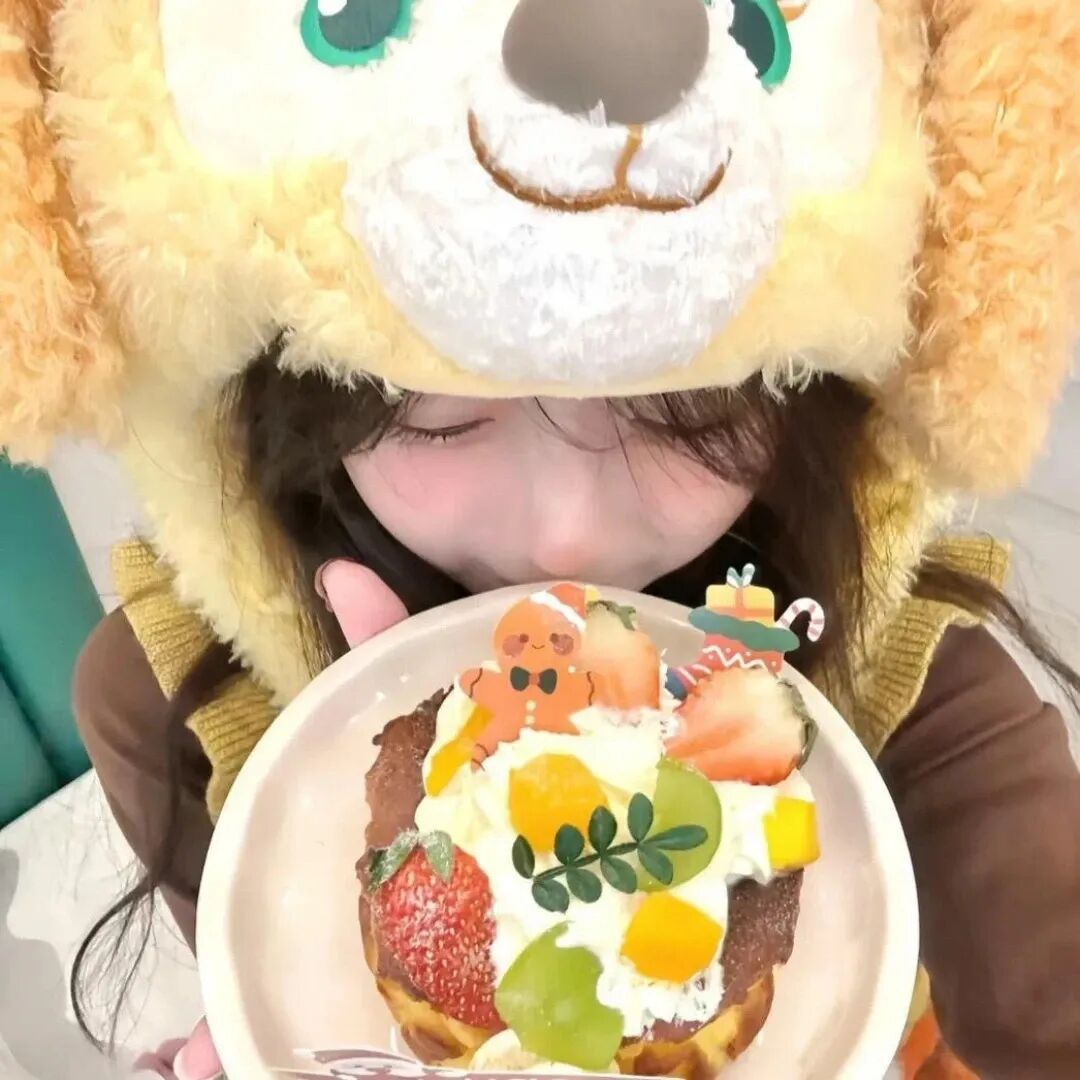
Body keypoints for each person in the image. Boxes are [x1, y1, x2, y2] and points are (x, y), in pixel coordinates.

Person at [1, 1, 1078, 1078]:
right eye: (436, 416)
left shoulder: (930, 702)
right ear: (291, 390)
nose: (565, 532)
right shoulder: (165, 699)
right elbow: (287, 1003)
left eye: (690, 416)